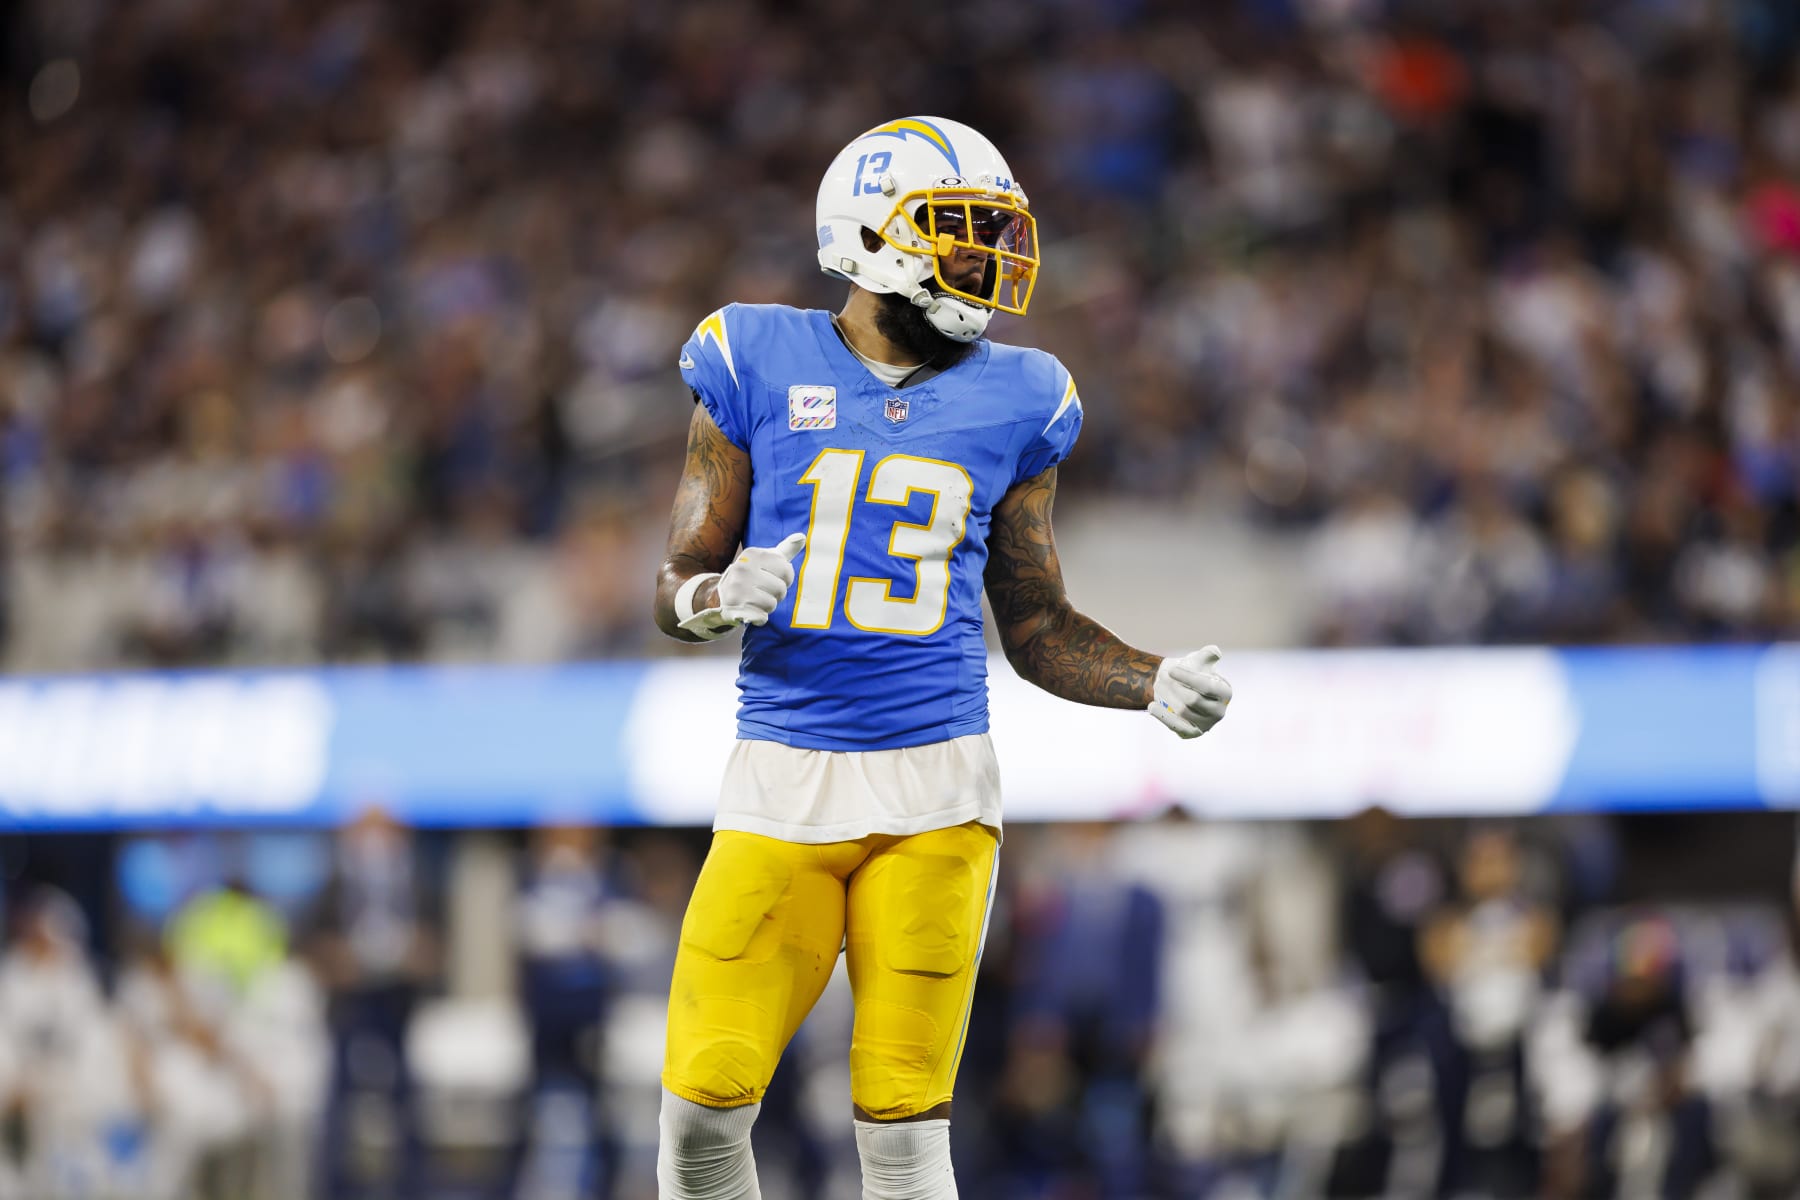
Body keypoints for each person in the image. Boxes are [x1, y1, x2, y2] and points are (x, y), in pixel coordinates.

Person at [649, 115, 1234, 1199]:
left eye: (994, 234)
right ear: (871, 234)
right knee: (700, 1115)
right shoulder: (753, 355)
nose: (986, 260)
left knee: (905, 1137)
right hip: (781, 779)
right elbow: (677, 580)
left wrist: (1150, 680)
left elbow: (1038, 625)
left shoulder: (1024, 394)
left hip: (939, 792)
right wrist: (714, 596)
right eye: (959, 231)